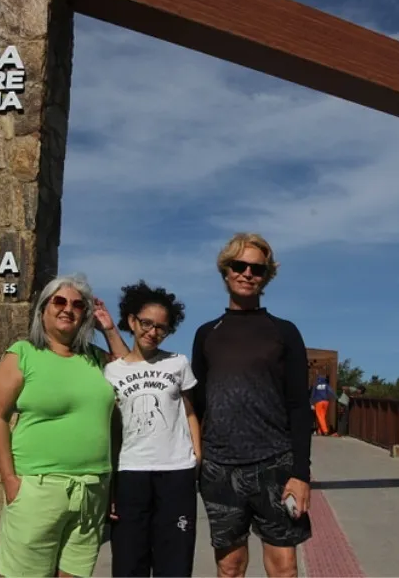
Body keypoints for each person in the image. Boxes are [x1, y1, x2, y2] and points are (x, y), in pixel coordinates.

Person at [0, 274, 130, 577]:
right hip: (37, 489)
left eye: (78, 305)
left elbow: (132, 374)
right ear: (43, 309)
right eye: (60, 301)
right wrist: (10, 481)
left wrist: (108, 328)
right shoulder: (23, 354)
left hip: (92, 491)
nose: (69, 308)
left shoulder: (96, 359)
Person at [191, 233, 313, 577]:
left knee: (284, 568)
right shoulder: (206, 334)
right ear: (225, 271)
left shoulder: (284, 332)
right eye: (239, 265)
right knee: (230, 567)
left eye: (256, 269)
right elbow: (197, 405)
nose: (247, 273)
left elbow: (299, 407)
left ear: (266, 276)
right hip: (219, 468)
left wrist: (300, 474)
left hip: (275, 464)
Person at [104, 281, 201, 577]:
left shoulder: (178, 363)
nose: (153, 332)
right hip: (130, 473)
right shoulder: (112, 371)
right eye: (146, 323)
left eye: (162, 327)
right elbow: (112, 427)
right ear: (132, 321)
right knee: (129, 561)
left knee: (175, 562)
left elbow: (189, 411)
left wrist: (197, 455)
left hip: (176, 472)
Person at [309, 367, 334, 436]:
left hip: (318, 402)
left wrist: (311, 402)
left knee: (320, 416)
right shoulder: (326, 385)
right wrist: (333, 398)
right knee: (322, 416)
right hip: (326, 402)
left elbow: (313, 394)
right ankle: (320, 431)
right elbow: (331, 392)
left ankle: (325, 430)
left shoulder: (316, 385)